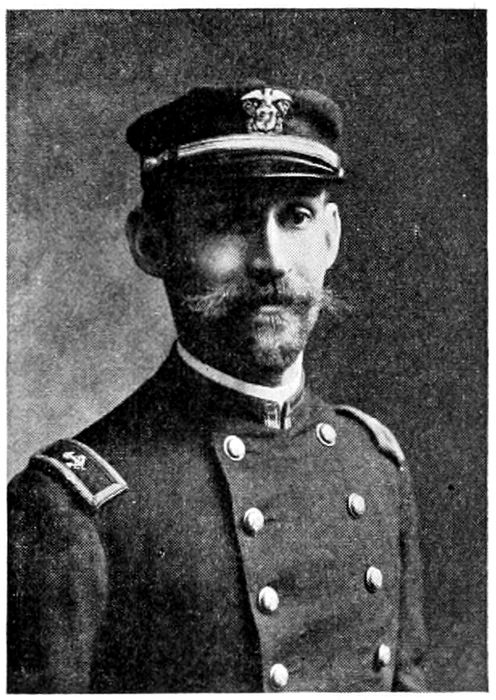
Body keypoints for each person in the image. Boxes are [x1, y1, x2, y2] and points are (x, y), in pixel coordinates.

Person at [8, 81, 428, 692]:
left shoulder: (376, 466)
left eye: (296, 216)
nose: (271, 260)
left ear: (331, 237)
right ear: (152, 244)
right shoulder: (70, 510)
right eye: (227, 221)